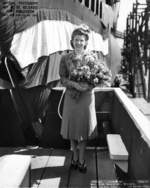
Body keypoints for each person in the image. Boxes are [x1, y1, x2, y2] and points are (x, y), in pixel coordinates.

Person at [59, 24, 110, 173]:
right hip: (71, 97)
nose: (79, 43)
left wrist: (88, 86)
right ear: (72, 41)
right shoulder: (65, 58)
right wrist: (75, 84)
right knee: (72, 130)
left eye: (81, 40)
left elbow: (99, 78)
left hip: (86, 98)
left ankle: (81, 160)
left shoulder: (92, 58)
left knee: (83, 129)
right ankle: (74, 158)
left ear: (86, 41)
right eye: (76, 39)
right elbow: (62, 79)